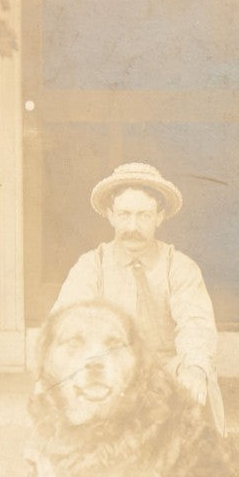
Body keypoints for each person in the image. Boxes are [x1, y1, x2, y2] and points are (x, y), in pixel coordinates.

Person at [50, 162, 225, 433]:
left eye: (144, 215)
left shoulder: (179, 266)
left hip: (165, 371)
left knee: (200, 375)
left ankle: (203, 456)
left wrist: (194, 368)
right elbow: (66, 322)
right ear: (111, 215)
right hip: (109, 370)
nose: (133, 226)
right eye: (124, 214)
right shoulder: (92, 266)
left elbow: (195, 323)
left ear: (159, 217)